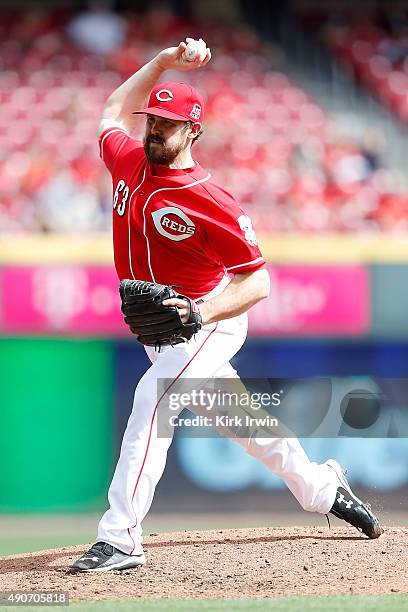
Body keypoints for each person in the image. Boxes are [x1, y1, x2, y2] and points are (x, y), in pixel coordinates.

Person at [70, 38, 382, 573]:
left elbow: (256, 282)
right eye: (152, 121)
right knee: (246, 426)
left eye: (167, 124)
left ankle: (120, 538)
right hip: (164, 332)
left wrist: (197, 315)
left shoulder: (211, 200)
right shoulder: (127, 159)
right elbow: (110, 113)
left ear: (193, 131)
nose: (154, 130)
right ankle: (324, 489)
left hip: (208, 320)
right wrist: (162, 63)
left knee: (153, 399)